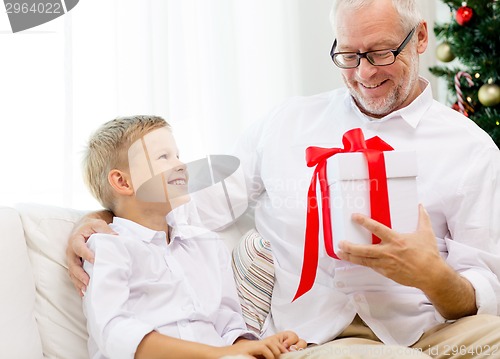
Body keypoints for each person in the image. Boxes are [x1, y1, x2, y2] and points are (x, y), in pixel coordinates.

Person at [68, 1, 500, 358]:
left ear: (421, 37)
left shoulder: (471, 150)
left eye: (382, 53)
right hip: (317, 336)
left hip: (430, 331)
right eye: (348, 56)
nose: (364, 74)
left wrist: (432, 277)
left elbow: (485, 289)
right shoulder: (286, 123)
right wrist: (102, 215)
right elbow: (189, 203)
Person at [78, 115, 306, 359]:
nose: (181, 165)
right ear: (123, 182)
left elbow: (228, 324)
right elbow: (115, 332)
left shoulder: (206, 244)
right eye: (163, 157)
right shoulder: (108, 247)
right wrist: (215, 354)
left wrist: (258, 346)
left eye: (178, 155)